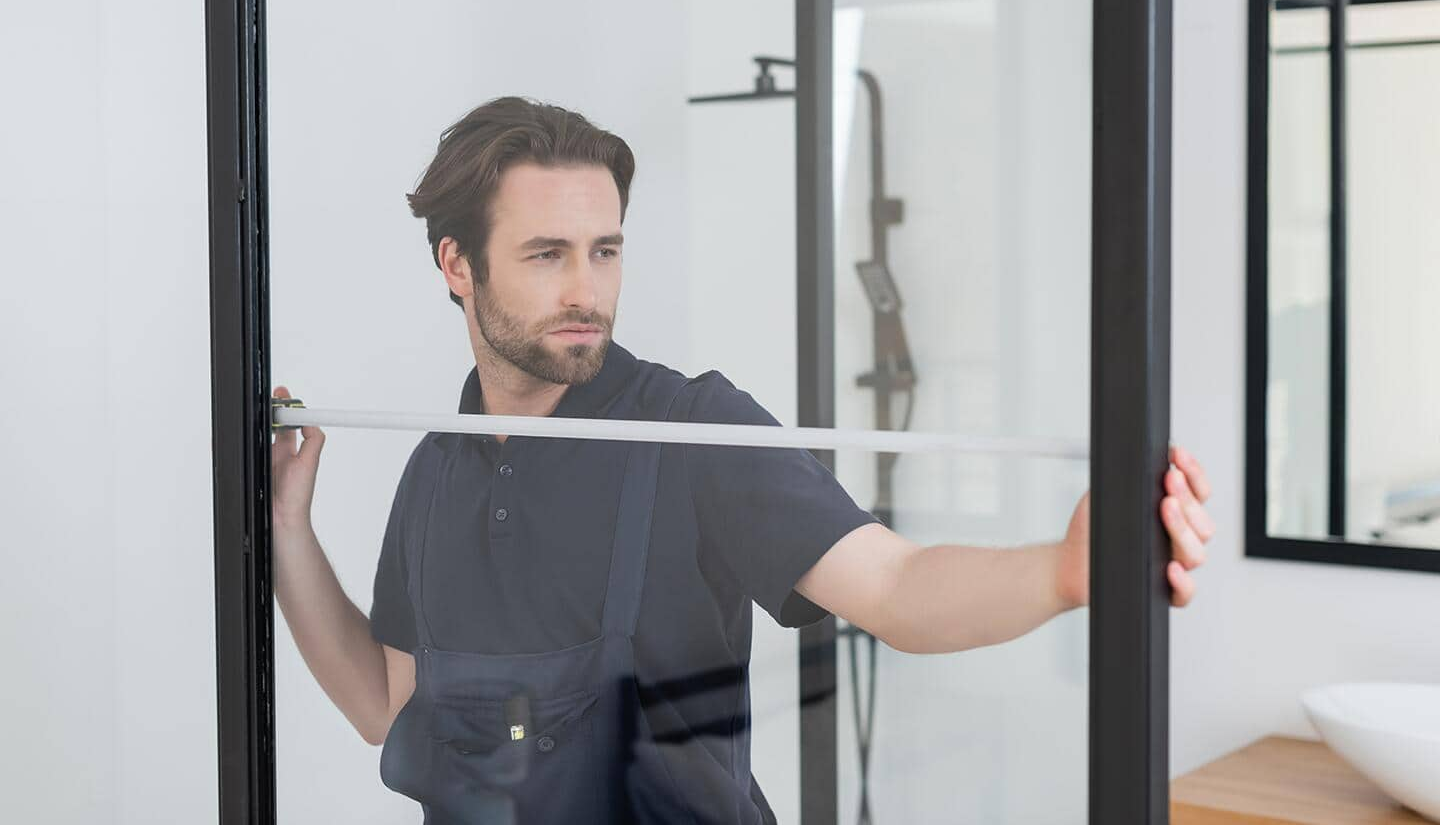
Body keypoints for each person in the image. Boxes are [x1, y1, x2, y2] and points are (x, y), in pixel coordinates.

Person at [270, 96, 1214, 824]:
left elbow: (900, 589)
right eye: (547, 254)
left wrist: (1063, 570)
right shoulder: (441, 467)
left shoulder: (693, 431)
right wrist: (288, 531)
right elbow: (384, 706)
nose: (587, 291)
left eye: (606, 251)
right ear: (457, 266)